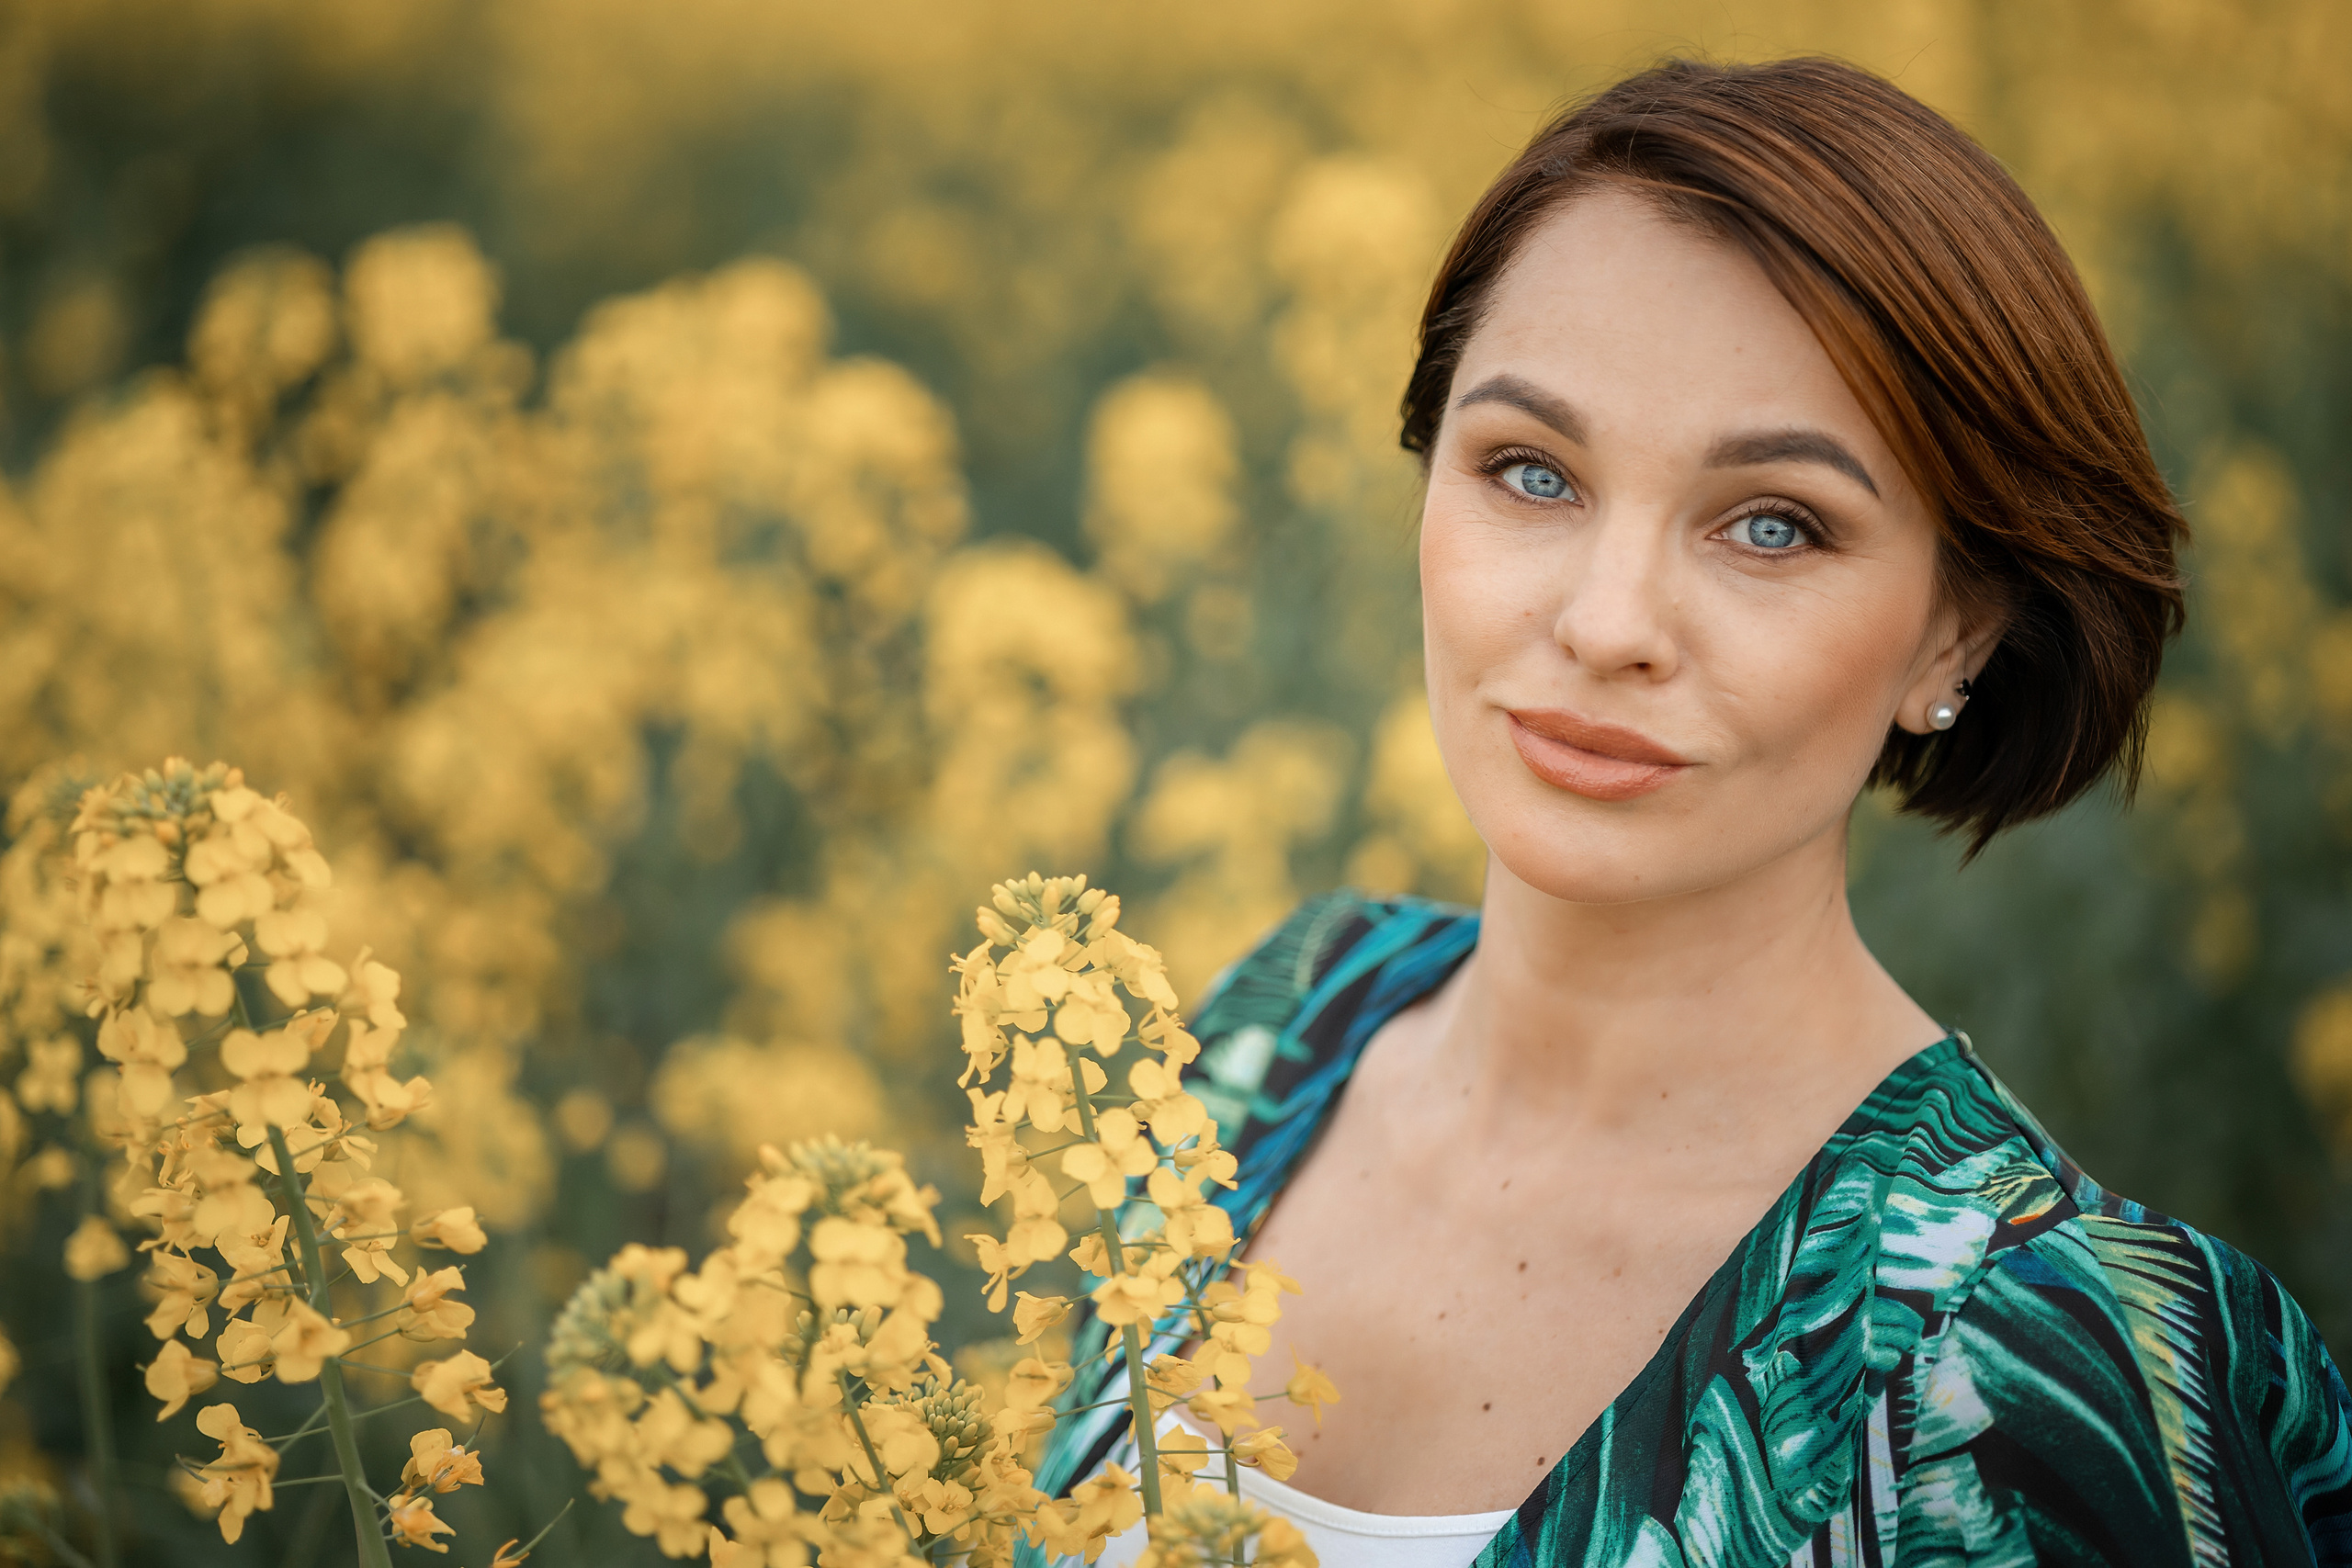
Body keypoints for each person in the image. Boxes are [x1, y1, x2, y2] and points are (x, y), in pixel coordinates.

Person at [1035, 56, 2352, 1566]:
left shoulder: (2049, 1359)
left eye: (1772, 525)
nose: (1607, 625)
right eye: (1531, 473)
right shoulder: (1273, 1030)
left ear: (1958, 633)